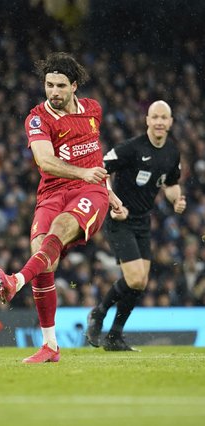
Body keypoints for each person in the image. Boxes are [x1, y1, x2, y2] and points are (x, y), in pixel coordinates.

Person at [0, 52, 123, 363]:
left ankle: (15, 280)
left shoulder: (93, 110)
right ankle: (50, 346)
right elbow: (45, 161)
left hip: (89, 191)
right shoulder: (37, 118)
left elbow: (95, 158)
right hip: (51, 191)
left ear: (74, 86)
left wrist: (108, 191)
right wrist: (83, 172)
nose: (54, 92)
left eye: (61, 86)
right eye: (49, 85)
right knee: (42, 256)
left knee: (60, 228)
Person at [86, 100, 185, 351]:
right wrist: (112, 201)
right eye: (155, 117)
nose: (160, 122)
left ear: (171, 122)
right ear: (148, 121)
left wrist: (177, 199)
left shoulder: (172, 152)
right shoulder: (131, 149)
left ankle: (114, 336)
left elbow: (171, 184)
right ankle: (98, 313)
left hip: (143, 221)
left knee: (140, 283)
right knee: (135, 278)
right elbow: (100, 170)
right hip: (120, 220)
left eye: (165, 117)